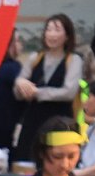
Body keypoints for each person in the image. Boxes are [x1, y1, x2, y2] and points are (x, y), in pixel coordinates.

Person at [11, 16, 83, 165]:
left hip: (60, 121)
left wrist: (36, 92)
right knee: (27, 160)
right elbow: (18, 89)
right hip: (33, 120)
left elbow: (68, 92)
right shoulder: (35, 57)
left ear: (67, 36)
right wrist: (20, 85)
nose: (51, 34)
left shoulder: (74, 60)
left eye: (57, 30)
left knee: (55, 160)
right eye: (48, 30)